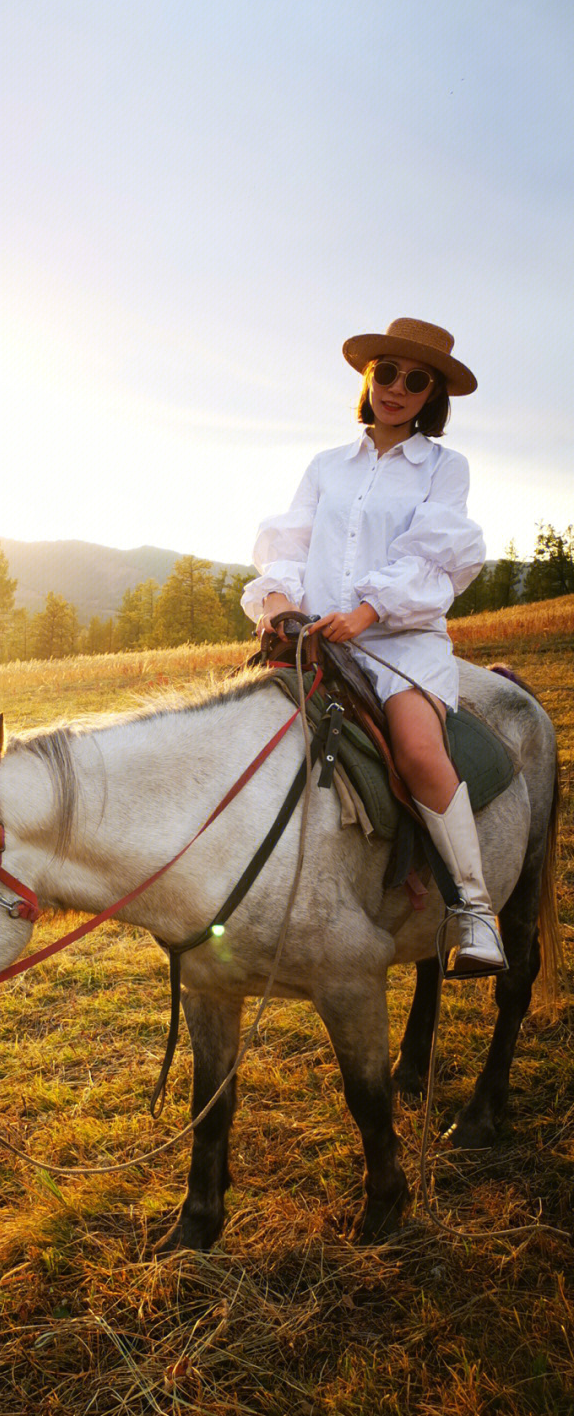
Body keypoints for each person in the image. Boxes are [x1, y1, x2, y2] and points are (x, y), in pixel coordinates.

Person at [240, 317, 505, 977]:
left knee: (416, 747)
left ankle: (475, 911)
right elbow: (291, 543)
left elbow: (435, 556)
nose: (396, 388)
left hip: (402, 644)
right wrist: (279, 607)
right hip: (319, 641)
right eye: (386, 372)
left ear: (431, 395)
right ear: (368, 377)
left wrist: (365, 612)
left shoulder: (446, 468)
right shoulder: (326, 465)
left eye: (415, 380)